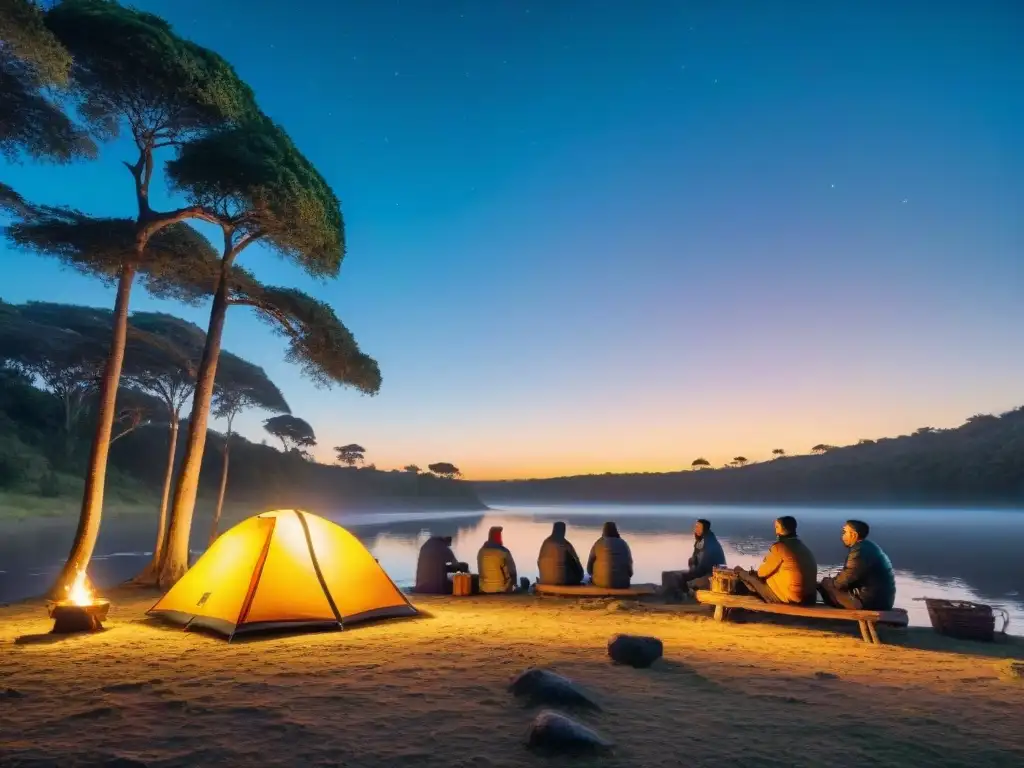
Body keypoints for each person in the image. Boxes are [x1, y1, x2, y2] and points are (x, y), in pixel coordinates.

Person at [734, 516, 818, 605]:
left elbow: (761, 573)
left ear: (783, 529)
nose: (775, 531)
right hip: (809, 599)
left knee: (744, 574)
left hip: (792, 599)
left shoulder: (780, 547)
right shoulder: (802, 546)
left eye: (777, 527)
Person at [818, 520, 896, 610]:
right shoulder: (869, 547)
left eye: (845, 532)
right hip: (883, 601)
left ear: (853, 535)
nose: (843, 536)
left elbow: (842, 582)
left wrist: (829, 582)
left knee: (824, 585)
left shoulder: (858, 552)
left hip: (869, 602)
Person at [662, 518, 726, 598]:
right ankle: (684, 594)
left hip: (711, 573)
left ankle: (687, 596)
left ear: (705, 529)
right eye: (696, 527)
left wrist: (693, 570)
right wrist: (692, 563)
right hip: (701, 569)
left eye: (699, 527)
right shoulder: (700, 541)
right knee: (671, 575)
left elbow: (705, 563)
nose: (696, 529)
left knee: (679, 577)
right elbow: (695, 558)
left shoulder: (710, 542)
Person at [587, 521, 633, 589]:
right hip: (623, 583)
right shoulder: (623, 543)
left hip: (601, 583)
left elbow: (589, 566)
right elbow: (629, 565)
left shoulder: (598, 543)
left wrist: (594, 574)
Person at [537, 521, 584, 586]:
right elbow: (577, 562)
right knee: (571, 560)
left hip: (544, 580)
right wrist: (580, 574)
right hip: (561, 581)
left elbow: (538, 562)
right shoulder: (566, 544)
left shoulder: (545, 543)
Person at [477, 525, 518, 593]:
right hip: (502, 589)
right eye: (500, 535)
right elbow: (513, 573)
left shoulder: (481, 552)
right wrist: (513, 585)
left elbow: (480, 571)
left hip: (484, 589)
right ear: (498, 537)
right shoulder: (504, 552)